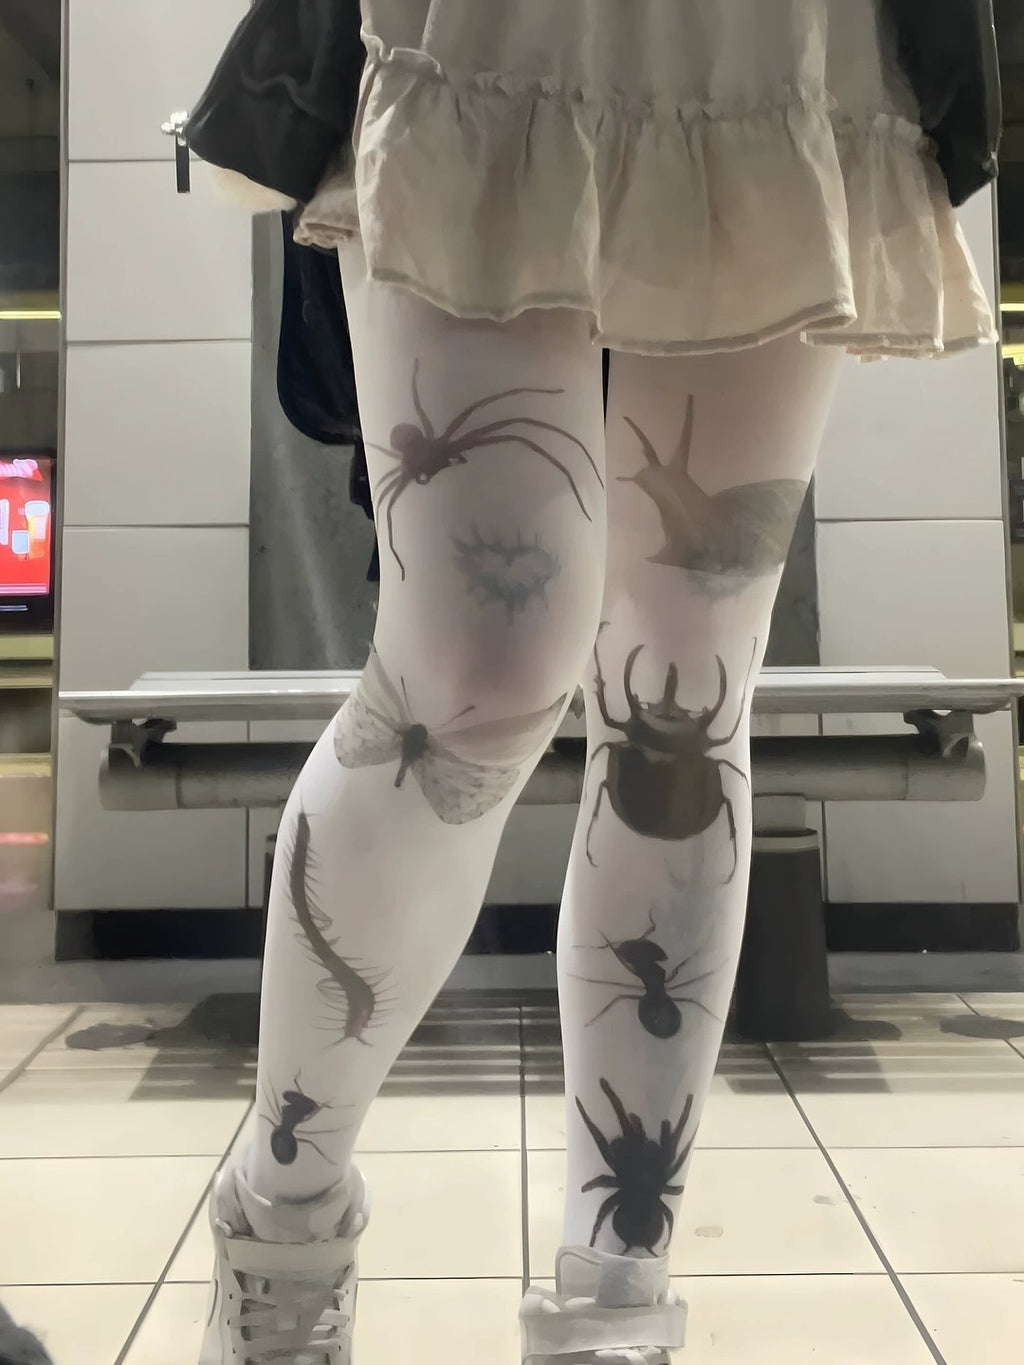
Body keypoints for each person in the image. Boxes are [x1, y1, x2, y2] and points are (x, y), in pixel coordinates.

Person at [191, 3, 999, 1362]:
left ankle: (614, 1301)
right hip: (494, 31)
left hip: (770, 42)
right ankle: (283, 1214)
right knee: (470, 674)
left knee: (684, 688)